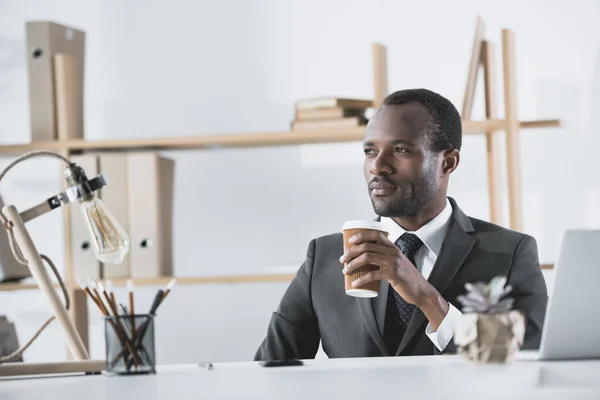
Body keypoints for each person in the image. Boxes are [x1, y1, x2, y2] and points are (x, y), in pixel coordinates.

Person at [254, 88, 548, 360]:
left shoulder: (510, 253)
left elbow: (528, 365)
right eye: (370, 151)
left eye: (401, 150)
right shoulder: (325, 257)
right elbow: (269, 371)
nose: (377, 166)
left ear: (448, 163)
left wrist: (428, 298)